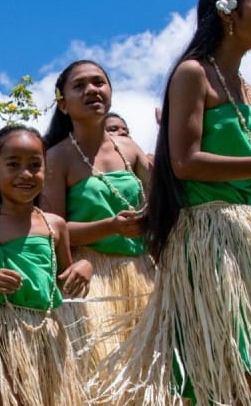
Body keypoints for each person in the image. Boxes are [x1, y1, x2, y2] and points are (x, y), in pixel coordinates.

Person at [96, 0, 251, 405]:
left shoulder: (250, 92)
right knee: (231, 365)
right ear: (227, 12)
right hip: (211, 243)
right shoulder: (193, 74)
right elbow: (184, 162)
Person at [0, 125, 89, 406]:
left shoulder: (55, 226)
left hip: (47, 332)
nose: (25, 174)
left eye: (35, 165)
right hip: (1, 331)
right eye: (13, 165)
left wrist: (83, 268)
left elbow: (61, 281)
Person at [41, 60, 154, 370]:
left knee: (150, 376)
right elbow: (51, 228)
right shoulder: (57, 157)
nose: (92, 90)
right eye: (79, 86)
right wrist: (110, 226)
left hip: (143, 271)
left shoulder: (128, 148)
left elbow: (160, 201)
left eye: (98, 82)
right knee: (103, 376)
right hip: (93, 279)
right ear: (62, 104)